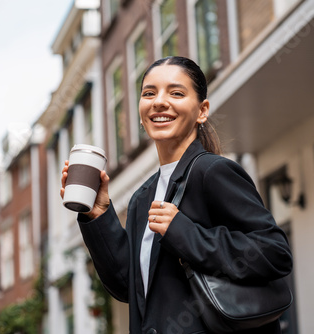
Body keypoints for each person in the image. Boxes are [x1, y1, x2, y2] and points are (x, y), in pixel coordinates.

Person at [61, 56, 292, 333]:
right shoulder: (141, 198)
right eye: (149, 93)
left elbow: (274, 252)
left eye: (176, 93)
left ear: (202, 110)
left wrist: (185, 233)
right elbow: (129, 287)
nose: (159, 101)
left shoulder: (212, 172)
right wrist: (98, 214)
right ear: (141, 113)